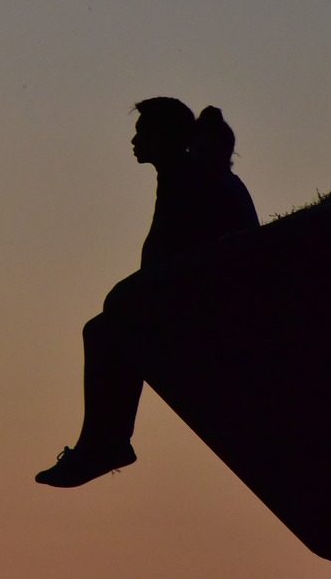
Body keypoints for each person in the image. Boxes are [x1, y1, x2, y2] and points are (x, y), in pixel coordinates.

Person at [35, 98, 259, 488]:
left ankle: (105, 444)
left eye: (142, 131)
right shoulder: (186, 174)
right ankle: (103, 442)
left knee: (104, 330)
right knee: (106, 325)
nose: (134, 140)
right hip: (205, 297)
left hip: (218, 307)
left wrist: (127, 298)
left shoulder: (190, 177)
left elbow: (171, 260)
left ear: (166, 136)